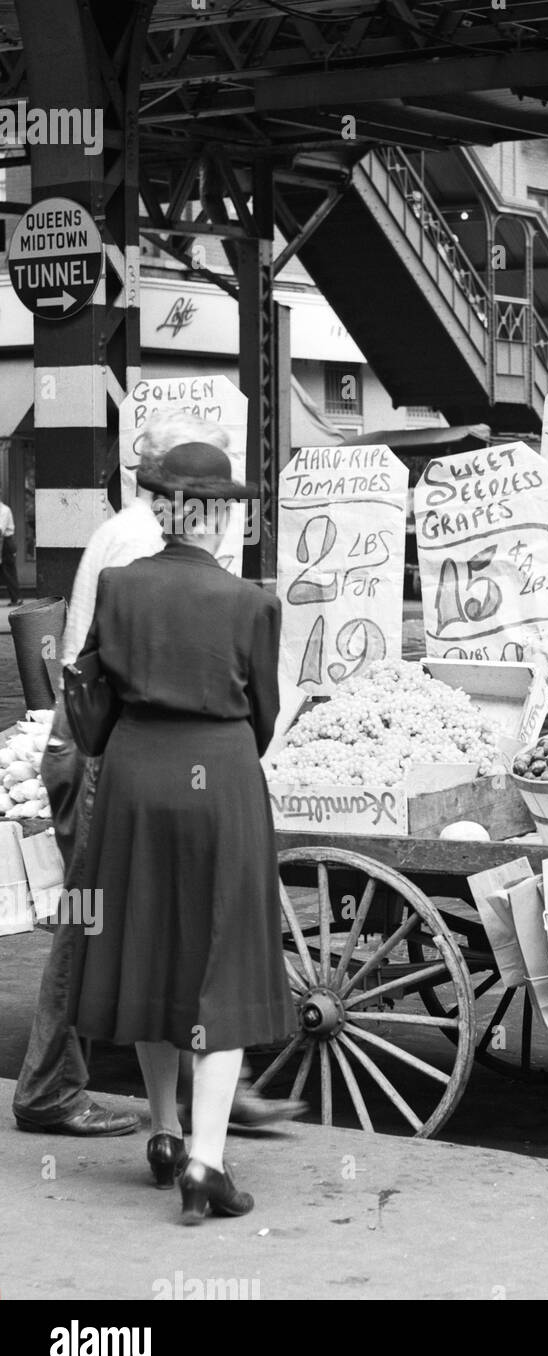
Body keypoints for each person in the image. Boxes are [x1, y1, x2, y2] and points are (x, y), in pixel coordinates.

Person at [64, 441, 298, 1223]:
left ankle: (162, 1133)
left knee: (148, 947)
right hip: (219, 779)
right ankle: (205, 1161)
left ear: (165, 508)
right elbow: (263, 717)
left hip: (134, 777)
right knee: (219, 959)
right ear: (219, 514)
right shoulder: (252, 604)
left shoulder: (120, 586)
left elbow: (93, 697)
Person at [0, 497, 22, 605]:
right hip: (3, 542)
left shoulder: (4, 510)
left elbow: (0, 529)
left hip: (6, 543)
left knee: (9, 571)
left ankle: (16, 599)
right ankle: (15, 598)